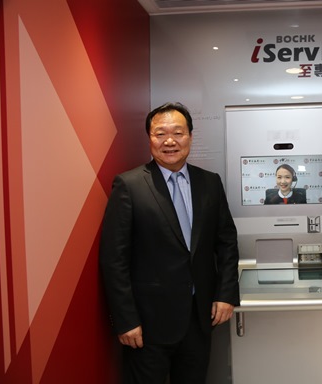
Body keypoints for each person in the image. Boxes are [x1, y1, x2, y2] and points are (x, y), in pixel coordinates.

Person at [99, 102, 240, 384]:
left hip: (200, 319)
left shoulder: (210, 183)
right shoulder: (129, 186)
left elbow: (226, 242)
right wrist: (126, 320)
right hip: (147, 325)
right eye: (160, 133)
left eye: (178, 132)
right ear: (149, 138)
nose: (170, 141)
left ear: (190, 135)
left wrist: (225, 294)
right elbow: (114, 260)